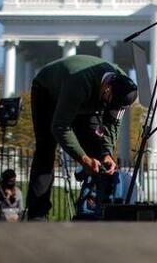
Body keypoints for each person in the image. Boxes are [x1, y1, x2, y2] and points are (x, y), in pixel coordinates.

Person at [27, 54, 138, 220]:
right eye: (109, 103)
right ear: (107, 88)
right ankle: (37, 213)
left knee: (98, 151)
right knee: (46, 150)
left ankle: (95, 209)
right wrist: (83, 159)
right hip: (48, 92)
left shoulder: (123, 88)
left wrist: (106, 153)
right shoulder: (78, 82)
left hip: (88, 98)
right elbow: (60, 127)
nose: (109, 108)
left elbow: (113, 124)